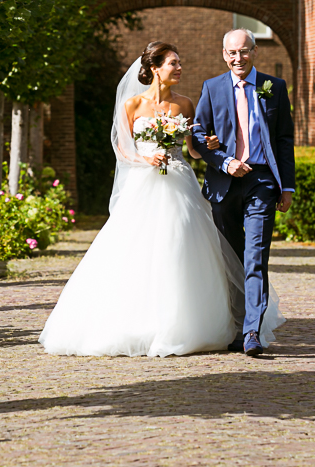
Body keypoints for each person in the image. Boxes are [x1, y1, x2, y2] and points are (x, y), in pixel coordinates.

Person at [39, 41, 284, 357]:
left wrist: (209, 143)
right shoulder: (132, 105)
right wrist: (145, 160)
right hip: (143, 183)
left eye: (180, 63)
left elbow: (195, 149)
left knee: (181, 245)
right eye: (173, 63)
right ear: (155, 68)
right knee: (135, 250)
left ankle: (187, 323)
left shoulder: (185, 104)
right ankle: (136, 321)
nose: (180, 68)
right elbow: (121, 148)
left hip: (180, 182)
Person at [190, 29, 295, 357]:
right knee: (230, 259)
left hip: (262, 182)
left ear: (254, 52)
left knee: (255, 257)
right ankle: (235, 325)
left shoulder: (274, 87)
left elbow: (284, 139)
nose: (239, 58)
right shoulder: (212, 88)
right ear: (224, 54)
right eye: (232, 53)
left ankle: (252, 331)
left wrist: (287, 186)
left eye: (245, 51)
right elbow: (198, 136)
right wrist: (224, 162)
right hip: (223, 184)